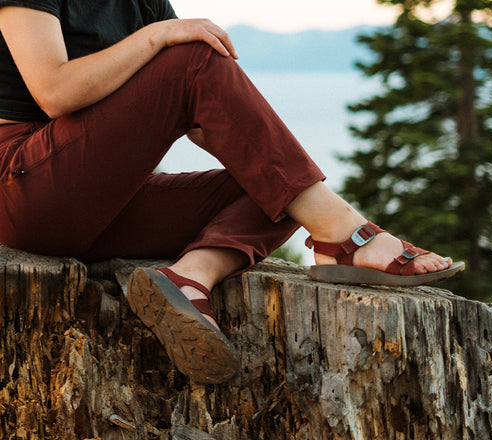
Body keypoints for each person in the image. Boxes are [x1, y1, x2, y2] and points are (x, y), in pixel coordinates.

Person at [0, 1, 464, 384]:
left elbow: (203, 107)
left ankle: (190, 277)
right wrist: (162, 40)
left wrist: (230, 119)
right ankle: (347, 237)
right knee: (201, 67)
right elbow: (54, 91)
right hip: (21, 186)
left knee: (276, 184)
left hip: (94, 206)